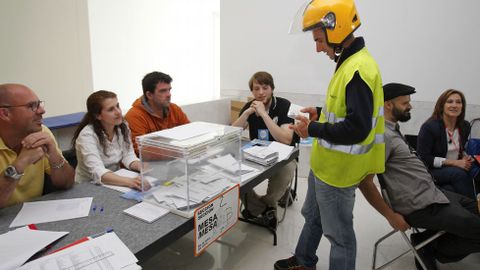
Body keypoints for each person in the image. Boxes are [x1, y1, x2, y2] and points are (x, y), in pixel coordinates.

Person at [274, 0, 385, 269]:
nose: (317, 48)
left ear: (337, 29)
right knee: (312, 216)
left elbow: (358, 128)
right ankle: (303, 261)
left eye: (319, 40)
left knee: (340, 236)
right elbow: (347, 110)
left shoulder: (358, 69)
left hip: (339, 173)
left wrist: (310, 128)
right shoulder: (349, 63)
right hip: (326, 167)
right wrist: (319, 112)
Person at [359, 82, 480, 270]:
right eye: (405, 103)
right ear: (388, 104)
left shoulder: (392, 128)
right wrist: (391, 216)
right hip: (420, 206)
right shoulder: (382, 135)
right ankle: (429, 248)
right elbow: (365, 182)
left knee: (476, 209)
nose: (410, 106)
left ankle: (425, 240)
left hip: (432, 194)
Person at [232, 71, 297, 229]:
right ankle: (265, 209)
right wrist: (247, 113)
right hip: (256, 154)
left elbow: (286, 139)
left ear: (272, 88)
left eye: (265, 87)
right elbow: (231, 134)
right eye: (256, 89)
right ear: (252, 91)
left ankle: (258, 207)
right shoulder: (250, 106)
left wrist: (263, 114)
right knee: (232, 175)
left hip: (284, 156)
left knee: (285, 172)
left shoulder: (284, 105)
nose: (261, 93)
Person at [0, 83, 74, 208]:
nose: (42, 110)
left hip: (31, 216)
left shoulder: (42, 132)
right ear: (4, 114)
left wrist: (54, 156)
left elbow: (67, 183)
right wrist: (21, 163)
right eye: (31, 106)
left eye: (39, 104)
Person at [72, 90, 150, 191]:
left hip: (115, 180)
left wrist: (141, 166)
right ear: (97, 115)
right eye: (111, 109)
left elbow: (128, 156)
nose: (118, 112)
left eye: (118, 106)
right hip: (88, 186)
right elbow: (97, 171)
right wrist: (130, 181)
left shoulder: (122, 126)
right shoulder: (87, 136)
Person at [417, 89, 475, 199]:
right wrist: (454, 163)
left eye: (458, 102)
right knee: (458, 174)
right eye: (450, 101)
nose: (454, 105)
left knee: (450, 189)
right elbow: (423, 158)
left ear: (462, 107)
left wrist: (465, 157)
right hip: (431, 171)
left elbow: (458, 148)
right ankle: (474, 210)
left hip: (454, 170)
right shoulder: (430, 127)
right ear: (442, 105)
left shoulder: (464, 126)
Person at [125, 71, 190, 154]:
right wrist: (178, 151)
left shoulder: (174, 108)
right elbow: (139, 148)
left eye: (169, 90)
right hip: (150, 163)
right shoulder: (134, 115)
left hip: (176, 158)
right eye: (163, 91)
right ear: (149, 95)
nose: (169, 94)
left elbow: (189, 133)